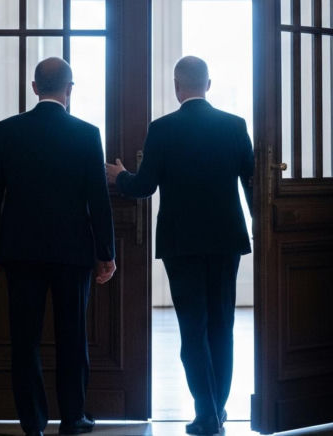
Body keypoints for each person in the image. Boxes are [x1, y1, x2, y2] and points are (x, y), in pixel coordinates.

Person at [106, 56, 254, 436]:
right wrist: (266, 232)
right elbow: (254, 188)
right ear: (209, 83)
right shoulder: (234, 126)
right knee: (223, 327)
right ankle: (218, 411)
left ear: (177, 86)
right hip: (227, 241)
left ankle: (205, 413)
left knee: (193, 328)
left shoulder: (163, 129)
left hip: (180, 244)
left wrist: (121, 176)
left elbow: (144, 186)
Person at [0, 57, 116, 436]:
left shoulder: (7, 131)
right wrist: (107, 253)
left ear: (34, 87)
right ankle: (73, 418)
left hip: (20, 252)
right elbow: (98, 202)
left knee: (25, 341)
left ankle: (33, 423)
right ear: (69, 90)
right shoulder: (87, 134)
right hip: (72, 253)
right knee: (72, 337)